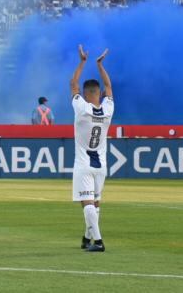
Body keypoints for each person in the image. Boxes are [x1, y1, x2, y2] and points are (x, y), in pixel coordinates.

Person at [70, 45, 115, 253]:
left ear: (86, 94)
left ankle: (98, 241)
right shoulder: (108, 109)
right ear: (99, 94)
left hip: (83, 164)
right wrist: (99, 65)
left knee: (86, 203)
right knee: (95, 204)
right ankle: (87, 238)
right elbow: (109, 85)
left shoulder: (82, 108)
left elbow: (73, 85)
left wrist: (82, 62)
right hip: (102, 166)